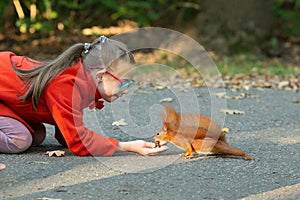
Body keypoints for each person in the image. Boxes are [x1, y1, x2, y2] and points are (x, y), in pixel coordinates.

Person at [0, 36, 168, 166]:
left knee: (38, 135)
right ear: (101, 76)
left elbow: (66, 132)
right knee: (19, 139)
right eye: (124, 82)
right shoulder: (66, 85)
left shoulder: (80, 80)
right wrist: (125, 146)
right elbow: (77, 142)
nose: (126, 89)